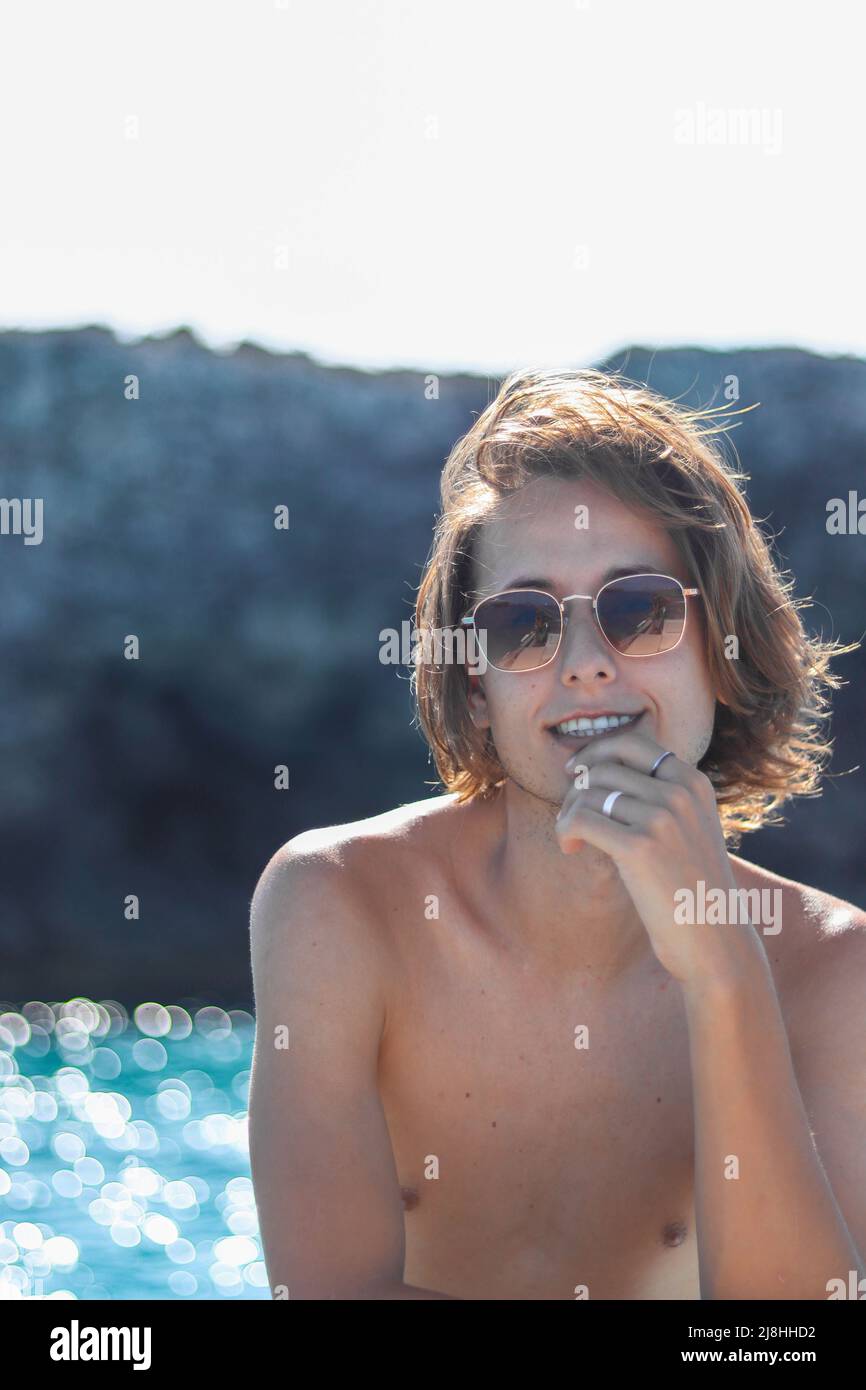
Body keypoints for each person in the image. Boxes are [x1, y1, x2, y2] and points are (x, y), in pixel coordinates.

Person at [248, 367, 866, 1300]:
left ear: (724, 648)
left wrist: (724, 973)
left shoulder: (834, 973)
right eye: (523, 624)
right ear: (474, 689)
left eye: (640, 610)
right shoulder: (335, 905)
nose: (583, 666)